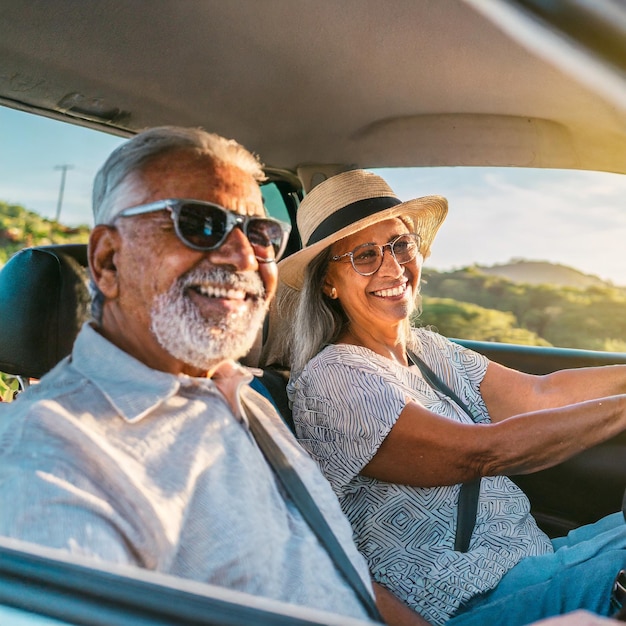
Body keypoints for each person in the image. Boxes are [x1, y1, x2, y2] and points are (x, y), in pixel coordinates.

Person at [0, 128, 429, 625]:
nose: (245, 258)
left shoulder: (241, 394)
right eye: (200, 225)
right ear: (107, 260)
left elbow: (333, 576)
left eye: (261, 234)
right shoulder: (51, 455)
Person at [275, 169, 626, 626]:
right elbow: (482, 452)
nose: (393, 267)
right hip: (466, 597)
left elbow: (541, 393)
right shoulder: (335, 377)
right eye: (364, 255)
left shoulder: (429, 350)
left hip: (530, 559)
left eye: (401, 244)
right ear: (329, 284)